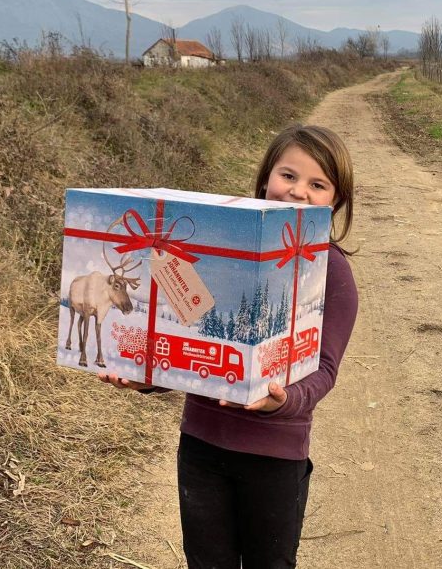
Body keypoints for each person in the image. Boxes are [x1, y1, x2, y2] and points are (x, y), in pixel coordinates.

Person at [99, 124, 359, 569]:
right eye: (288, 175)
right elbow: (192, 346)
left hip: (275, 458)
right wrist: (146, 379)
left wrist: (284, 401)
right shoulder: (218, 250)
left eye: (317, 184)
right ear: (264, 180)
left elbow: (326, 371)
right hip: (201, 448)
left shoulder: (331, 271)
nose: (298, 192)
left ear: (335, 200)